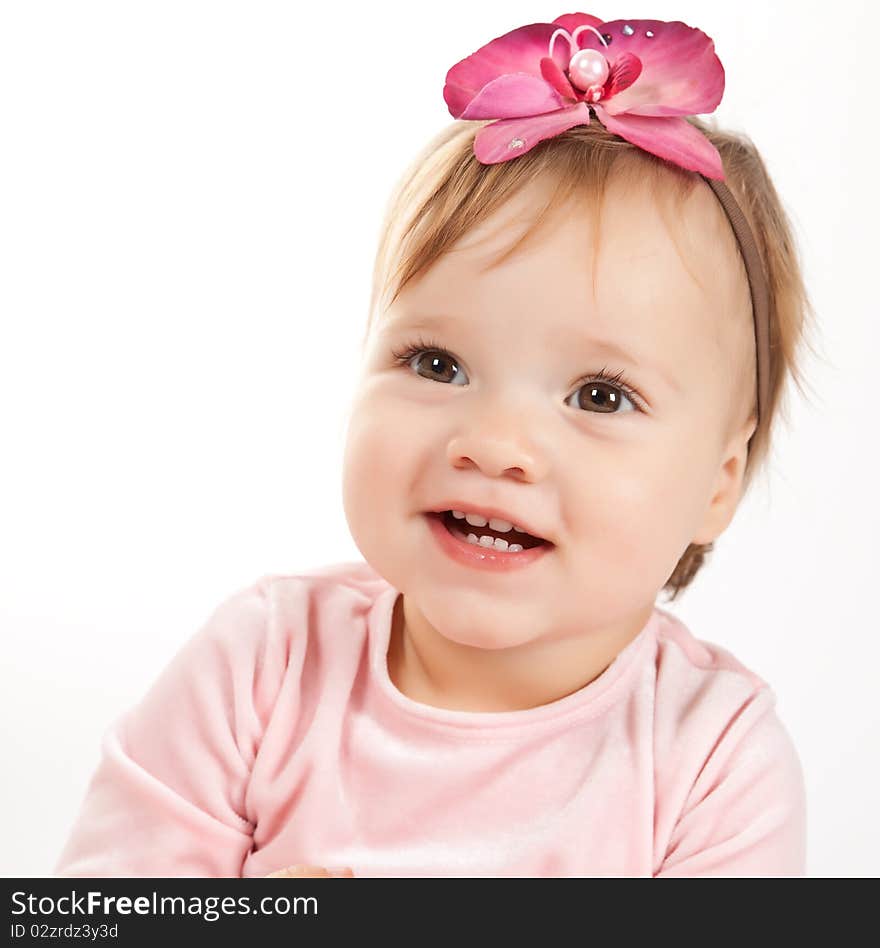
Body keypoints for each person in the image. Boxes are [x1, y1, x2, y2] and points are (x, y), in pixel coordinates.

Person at [54, 12, 815, 878]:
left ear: (719, 483)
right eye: (437, 362)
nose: (494, 445)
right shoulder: (263, 665)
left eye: (599, 395)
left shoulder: (714, 764)